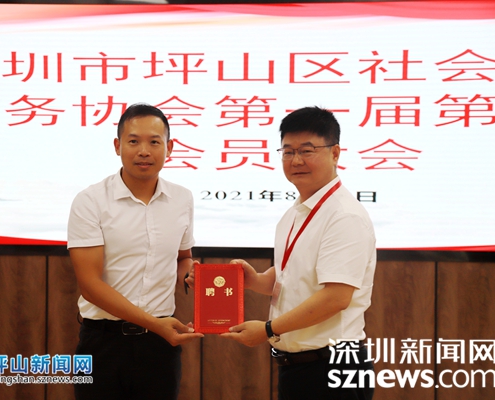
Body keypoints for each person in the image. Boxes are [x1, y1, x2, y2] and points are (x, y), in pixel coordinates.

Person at [221, 107, 376, 399]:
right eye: (288, 151)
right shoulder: (296, 212)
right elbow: (292, 276)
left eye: (307, 150)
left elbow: (336, 297)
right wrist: (255, 280)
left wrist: (268, 330)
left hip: (333, 367)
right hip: (300, 368)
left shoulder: (344, 215)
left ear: (335, 153)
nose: (296, 160)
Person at [67, 103, 204, 400]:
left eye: (154, 142)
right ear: (117, 146)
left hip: (160, 347)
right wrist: (155, 325)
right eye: (133, 141)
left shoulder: (182, 199)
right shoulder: (91, 201)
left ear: (169, 148)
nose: (144, 151)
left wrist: (190, 274)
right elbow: (90, 285)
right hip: (102, 343)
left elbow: (183, 257)